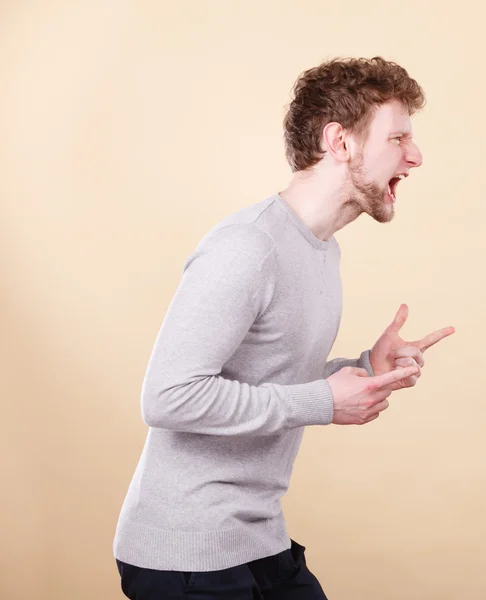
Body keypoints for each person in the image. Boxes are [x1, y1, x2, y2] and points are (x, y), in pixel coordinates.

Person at [113, 56, 454, 599]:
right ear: (340, 142)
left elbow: (267, 373)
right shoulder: (247, 246)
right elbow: (169, 397)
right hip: (187, 553)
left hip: (258, 540)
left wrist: (364, 371)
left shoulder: (321, 251)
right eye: (398, 138)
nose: (415, 155)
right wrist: (324, 401)